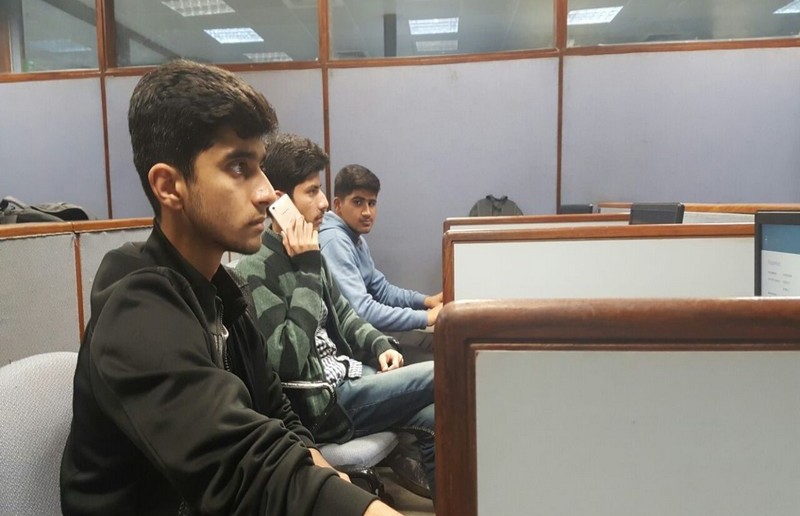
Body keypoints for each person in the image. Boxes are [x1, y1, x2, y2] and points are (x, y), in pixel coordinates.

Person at [60, 60, 399, 516]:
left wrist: (329, 478)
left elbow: (279, 417)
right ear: (169, 186)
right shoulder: (135, 306)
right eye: (239, 167)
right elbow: (245, 466)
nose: (266, 192)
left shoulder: (224, 292)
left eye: (260, 167)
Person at [235, 133, 436, 500]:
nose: (325, 203)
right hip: (322, 404)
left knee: (436, 417)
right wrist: (307, 271)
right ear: (280, 202)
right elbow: (287, 359)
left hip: (350, 378)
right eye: (312, 192)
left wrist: (379, 345)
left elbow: (346, 317)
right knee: (446, 371)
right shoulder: (255, 268)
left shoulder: (312, 252)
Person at [319, 164, 442, 363]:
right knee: (437, 361)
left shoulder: (355, 237)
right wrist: (426, 318)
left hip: (368, 336)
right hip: (351, 346)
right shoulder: (335, 241)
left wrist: (426, 301)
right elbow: (362, 311)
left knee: (440, 342)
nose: (367, 212)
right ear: (338, 205)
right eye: (358, 202)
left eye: (372, 203)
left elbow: (382, 290)